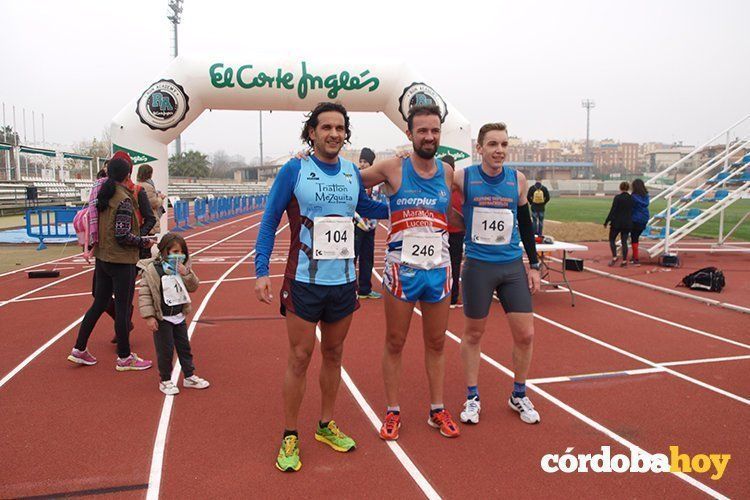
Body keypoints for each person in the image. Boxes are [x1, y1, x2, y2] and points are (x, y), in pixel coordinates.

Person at [253, 102, 389, 472]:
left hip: (343, 282)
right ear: (311, 132)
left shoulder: (350, 172)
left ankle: (326, 425)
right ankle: (290, 434)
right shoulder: (295, 170)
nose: (333, 133)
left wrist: (401, 205)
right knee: (299, 357)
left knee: (334, 353)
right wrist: (260, 268)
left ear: (346, 133)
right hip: (304, 281)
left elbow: (366, 209)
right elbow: (269, 221)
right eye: (325, 127)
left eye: (339, 128)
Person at [360, 104, 460, 440]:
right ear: (409, 134)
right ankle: (392, 411)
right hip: (402, 271)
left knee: (436, 343)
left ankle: (437, 409)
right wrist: (312, 161)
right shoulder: (393, 167)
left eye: (434, 131)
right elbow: (349, 183)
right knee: (395, 341)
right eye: (422, 131)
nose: (429, 136)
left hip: (439, 270)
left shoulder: (447, 173)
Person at [451, 123, 542, 426]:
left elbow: (526, 224)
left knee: (526, 334)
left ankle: (518, 393)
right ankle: (473, 396)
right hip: (478, 266)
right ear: (479, 149)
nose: (499, 150)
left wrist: (534, 265)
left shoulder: (518, 180)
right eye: (492, 144)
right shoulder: (463, 177)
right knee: (474, 334)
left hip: (512, 265)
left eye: (503, 144)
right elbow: (434, 187)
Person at [68, 155, 154, 370]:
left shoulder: (101, 195)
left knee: (98, 304)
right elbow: (123, 235)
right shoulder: (123, 200)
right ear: (127, 175)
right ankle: (124, 357)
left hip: (103, 257)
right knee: (123, 309)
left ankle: (79, 349)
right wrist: (144, 241)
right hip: (121, 260)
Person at [138, 232, 209, 395]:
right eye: (174, 252)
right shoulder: (152, 270)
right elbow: (145, 294)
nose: (178, 255)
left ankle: (189, 376)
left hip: (179, 316)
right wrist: (149, 317)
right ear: (164, 251)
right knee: (165, 350)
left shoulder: (182, 269)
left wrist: (186, 273)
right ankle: (165, 380)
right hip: (162, 317)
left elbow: (194, 286)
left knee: (185, 348)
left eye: (181, 252)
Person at [353, 147, 382, 299]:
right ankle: (350, 289)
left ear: (371, 164)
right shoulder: (354, 179)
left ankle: (365, 289)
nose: (363, 164)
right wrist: (358, 219)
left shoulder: (376, 182)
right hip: (357, 225)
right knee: (353, 257)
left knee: (367, 257)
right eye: (361, 161)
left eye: (366, 162)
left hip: (371, 226)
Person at [443, 155, 464, 308]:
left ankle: (446, 295)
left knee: (443, 265)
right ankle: (452, 296)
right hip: (453, 232)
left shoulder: (442, 187)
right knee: (454, 264)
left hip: (446, 232)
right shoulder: (458, 188)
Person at [604, 181, 633, 267]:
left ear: (620, 188)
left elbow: (613, 210)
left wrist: (607, 221)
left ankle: (614, 257)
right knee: (624, 242)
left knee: (612, 239)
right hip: (627, 223)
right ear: (628, 188)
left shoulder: (617, 198)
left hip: (616, 222)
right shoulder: (631, 198)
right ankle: (624, 261)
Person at [137, 164, 167, 235]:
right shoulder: (148, 186)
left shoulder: (138, 184)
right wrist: (161, 198)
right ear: (149, 174)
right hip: (148, 219)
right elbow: (154, 204)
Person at [630, 179, 650, 266]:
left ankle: (636, 258)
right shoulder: (646, 196)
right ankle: (634, 256)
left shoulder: (633, 196)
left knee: (634, 238)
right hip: (644, 218)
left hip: (635, 218)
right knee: (636, 237)